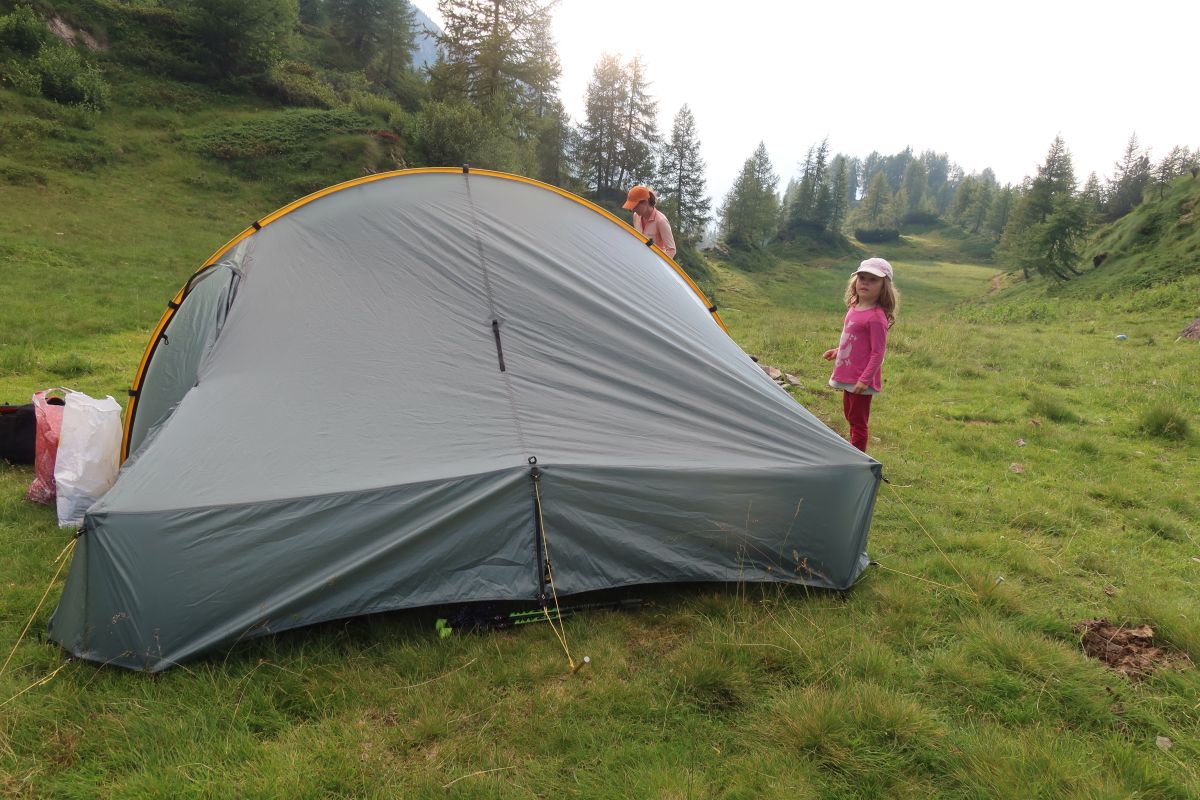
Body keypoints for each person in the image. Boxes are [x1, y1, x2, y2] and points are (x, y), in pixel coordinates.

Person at [822, 257, 898, 453]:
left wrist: (865, 380)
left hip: (861, 379)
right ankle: (853, 450)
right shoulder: (854, 308)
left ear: (884, 287)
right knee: (850, 415)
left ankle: (858, 458)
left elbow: (878, 352)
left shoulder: (876, 317)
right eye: (862, 277)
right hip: (848, 373)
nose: (865, 282)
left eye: (873, 280)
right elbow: (853, 341)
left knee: (858, 421)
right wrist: (838, 351)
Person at [622, 185, 677, 258]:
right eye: (632, 207)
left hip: (655, 264)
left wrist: (658, 265)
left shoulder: (661, 221)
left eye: (636, 206)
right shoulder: (636, 216)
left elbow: (671, 250)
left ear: (645, 202)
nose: (633, 210)